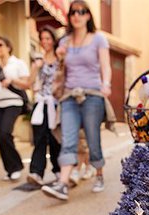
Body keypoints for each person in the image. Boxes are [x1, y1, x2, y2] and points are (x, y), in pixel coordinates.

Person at [41, 0, 112, 201]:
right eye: (73, 12)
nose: (76, 15)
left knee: (92, 138)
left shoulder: (98, 39)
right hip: (69, 96)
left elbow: (105, 66)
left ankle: (98, 173)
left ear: (88, 16)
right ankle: (63, 184)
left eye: (81, 12)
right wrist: (60, 57)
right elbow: (58, 71)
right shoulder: (64, 42)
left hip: (92, 95)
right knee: (69, 139)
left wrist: (106, 84)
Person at [0, 36, 29, 181]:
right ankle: (10, 169)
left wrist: (12, 80)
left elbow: (27, 83)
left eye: (0, 45)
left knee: (5, 132)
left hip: (13, 102)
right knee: (1, 136)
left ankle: (16, 165)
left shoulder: (18, 63)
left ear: (8, 47)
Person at [27, 26, 61, 186]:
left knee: (54, 138)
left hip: (54, 104)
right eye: (42, 38)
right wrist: (35, 68)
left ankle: (59, 170)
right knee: (39, 138)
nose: (45, 41)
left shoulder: (60, 58)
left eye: (48, 38)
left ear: (53, 40)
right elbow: (29, 82)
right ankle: (36, 172)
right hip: (40, 103)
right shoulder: (38, 60)